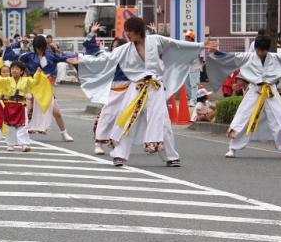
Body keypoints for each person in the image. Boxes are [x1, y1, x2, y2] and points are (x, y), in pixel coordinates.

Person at [72, 17, 216, 167]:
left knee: (161, 122)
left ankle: (171, 156)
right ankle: (119, 154)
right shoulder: (124, 49)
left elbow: (177, 45)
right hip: (136, 87)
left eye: (130, 31)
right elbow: (105, 58)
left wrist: (201, 45)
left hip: (155, 87)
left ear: (138, 31)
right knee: (127, 118)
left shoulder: (156, 40)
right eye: (126, 31)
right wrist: (82, 61)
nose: (127, 34)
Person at [206, 36, 281, 159]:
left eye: (263, 50)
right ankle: (233, 148)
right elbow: (230, 57)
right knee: (244, 116)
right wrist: (216, 52)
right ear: (255, 48)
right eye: (258, 50)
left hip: (271, 91)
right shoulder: (248, 56)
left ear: (267, 49)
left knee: (279, 118)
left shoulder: (276, 57)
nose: (260, 53)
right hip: (254, 90)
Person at [6, 35, 75, 141]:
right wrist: (10, 45)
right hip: (32, 86)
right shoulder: (28, 56)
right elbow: (12, 56)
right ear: (34, 46)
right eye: (38, 47)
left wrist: (75, 57)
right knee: (25, 110)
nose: (40, 49)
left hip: (45, 89)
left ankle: (64, 133)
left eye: (41, 47)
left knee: (57, 112)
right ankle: (16, 132)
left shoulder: (51, 55)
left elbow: (63, 57)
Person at [84, 27, 130, 156]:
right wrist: (93, 33)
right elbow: (92, 48)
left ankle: (150, 142)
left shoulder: (131, 58)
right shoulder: (108, 57)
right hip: (113, 91)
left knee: (127, 119)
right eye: (113, 46)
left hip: (129, 92)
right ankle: (98, 143)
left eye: (117, 46)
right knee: (106, 116)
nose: (114, 48)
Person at [0, 61, 50, 152]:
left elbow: (35, 82)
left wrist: (38, 73)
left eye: (17, 69)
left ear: (21, 71)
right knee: (9, 126)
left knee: (23, 126)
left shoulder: (26, 80)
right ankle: (10, 144)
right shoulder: (7, 80)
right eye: (12, 68)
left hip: (21, 105)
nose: (14, 70)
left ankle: (24, 144)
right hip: (9, 104)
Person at [183, 31, 203, 105]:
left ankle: (193, 100)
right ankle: (192, 98)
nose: (185, 38)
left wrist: (199, 66)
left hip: (195, 68)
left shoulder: (197, 46)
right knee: (186, 84)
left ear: (191, 38)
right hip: (187, 69)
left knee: (194, 85)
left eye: (186, 37)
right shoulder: (185, 46)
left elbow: (201, 58)